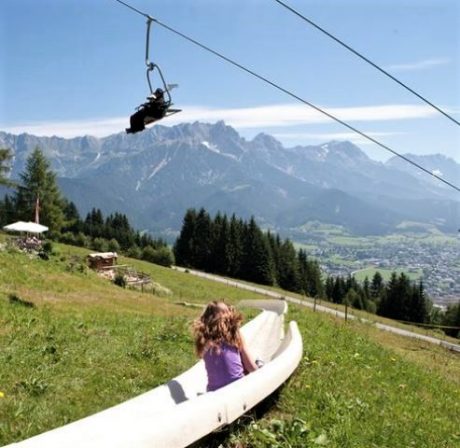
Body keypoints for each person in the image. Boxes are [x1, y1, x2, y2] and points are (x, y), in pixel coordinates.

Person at [193, 301, 259, 392]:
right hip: (237, 386)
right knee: (255, 364)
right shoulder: (234, 333)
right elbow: (251, 367)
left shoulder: (203, 338)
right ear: (225, 315)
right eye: (227, 311)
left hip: (213, 390)